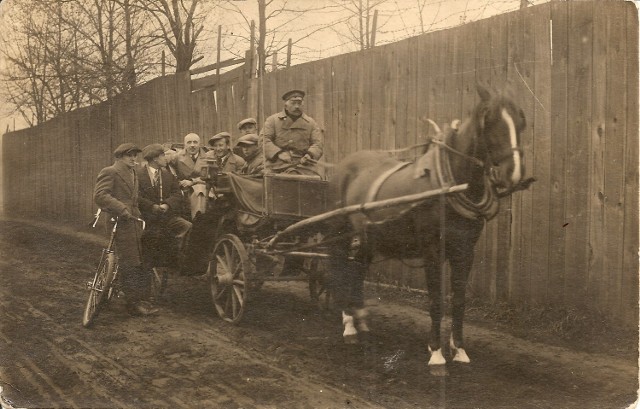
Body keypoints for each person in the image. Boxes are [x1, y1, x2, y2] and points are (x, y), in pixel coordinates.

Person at [93, 143, 158, 316]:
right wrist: (121, 209)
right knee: (130, 260)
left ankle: (130, 295)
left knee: (139, 258)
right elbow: (100, 195)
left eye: (135, 155)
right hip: (119, 219)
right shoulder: (110, 171)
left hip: (134, 220)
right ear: (120, 157)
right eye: (130, 155)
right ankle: (132, 303)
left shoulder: (133, 173)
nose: (133, 158)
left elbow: (135, 200)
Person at [137, 144, 192, 271]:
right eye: (162, 156)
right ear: (155, 158)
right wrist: (152, 206)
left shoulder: (168, 175)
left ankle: (175, 259)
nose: (165, 158)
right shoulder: (138, 175)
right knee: (152, 236)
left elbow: (177, 194)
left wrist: (167, 204)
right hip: (146, 218)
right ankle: (151, 262)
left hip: (166, 217)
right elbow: (136, 196)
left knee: (187, 227)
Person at [261, 90, 324, 176]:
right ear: (286, 106)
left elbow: (318, 144)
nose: (297, 106)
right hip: (276, 165)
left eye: (299, 103)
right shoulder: (272, 120)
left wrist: (309, 155)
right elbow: (263, 140)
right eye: (293, 103)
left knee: (315, 182)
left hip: (304, 165)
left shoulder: (311, 123)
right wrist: (279, 153)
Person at [170, 133, 210, 219]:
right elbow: (169, 168)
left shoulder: (207, 157)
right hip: (184, 189)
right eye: (189, 142)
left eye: (195, 142)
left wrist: (192, 182)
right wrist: (178, 181)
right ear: (184, 144)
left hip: (203, 188)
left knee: (200, 192)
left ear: (200, 144)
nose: (192, 145)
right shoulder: (177, 157)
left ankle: (198, 218)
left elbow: (209, 177)